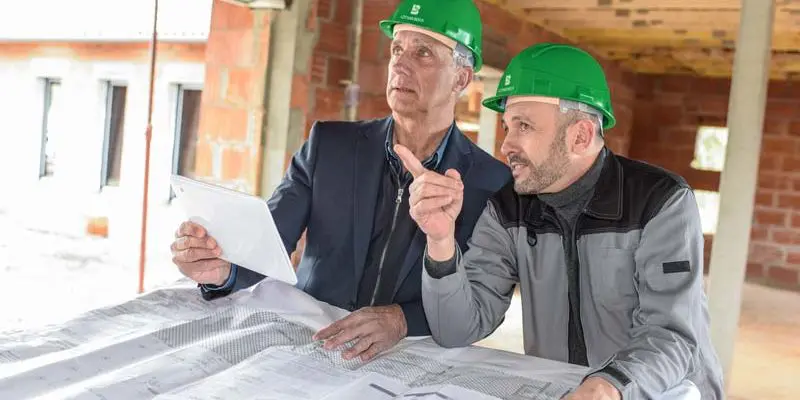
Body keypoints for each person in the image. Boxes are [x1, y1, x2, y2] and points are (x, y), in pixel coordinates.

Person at [170, 0, 511, 363]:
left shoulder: (491, 183)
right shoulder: (328, 145)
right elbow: (266, 243)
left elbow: (479, 304)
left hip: (411, 358)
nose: (400, 63)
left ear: (461, 78)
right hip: (311, 345)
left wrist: (402, 320)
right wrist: (222, 271)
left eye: (422, 52)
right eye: (397, 49)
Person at [398, 43, 724, 399]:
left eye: (524, 125)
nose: (506, 145)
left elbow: (672, 334)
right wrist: (441, 242)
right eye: (507, 126)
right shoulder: (509, 209)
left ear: (580, 136)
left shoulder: (660, 201)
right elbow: (457, 329)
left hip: (661, 390)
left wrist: (608, 386)